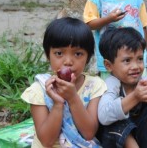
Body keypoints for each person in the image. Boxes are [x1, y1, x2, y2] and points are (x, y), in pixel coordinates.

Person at [21, 17, 107, 147]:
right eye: (59, 53)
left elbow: (89, 133)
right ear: (48, 55)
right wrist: (58, 104)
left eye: (78, 54)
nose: (68, 61)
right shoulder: (39, 89)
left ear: (88, 58)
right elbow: (46, 141)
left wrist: (72, 98)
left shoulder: (94, 86)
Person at [97, 27, 147, 148]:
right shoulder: (111, 84)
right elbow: (103, 116)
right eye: (127, 60)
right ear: (109, 65)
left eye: (140, 59)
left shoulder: (144, 82)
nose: (135, 66)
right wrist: (135, 97)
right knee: (117, 123)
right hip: (120, 141)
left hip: (144, 136)